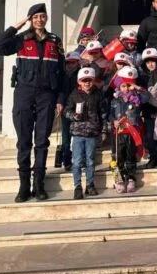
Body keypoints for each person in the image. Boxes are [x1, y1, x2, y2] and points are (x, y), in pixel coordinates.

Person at [0, 3, 65, 203]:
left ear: (46, 18)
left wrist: (60, 98)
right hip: (24, 93)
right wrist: (17, 26)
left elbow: (61, 72)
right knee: (24, 141)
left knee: (42, 141)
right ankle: (24, 185)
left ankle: (38, 184)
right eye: (35, 17)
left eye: (42, 16)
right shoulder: (21, 39)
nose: (39, 20)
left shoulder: (54, 40)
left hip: (47, 96)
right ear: (30, 20)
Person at [64, 66, 108, 199]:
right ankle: (77, 186)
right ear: (79, 82)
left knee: (90, 160)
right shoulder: (74, 95)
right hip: (77, 133)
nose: (87, 83)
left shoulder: (98, 94)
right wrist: (74, 116)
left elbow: (103, 114)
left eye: (89, 80)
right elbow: (66, 111)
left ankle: (90, 184)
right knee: (77, 161)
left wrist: (104, 130)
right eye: (84, 80)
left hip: (92, 133)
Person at [108, 66, 148, 194]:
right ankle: (119, 178)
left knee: (130, 155)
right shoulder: (115, 100)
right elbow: (110, 114)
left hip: (131, 131)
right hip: (119, 132)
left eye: (128, 86)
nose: (126, 89)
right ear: (119, 87)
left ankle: (131, 178)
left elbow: (147, 97)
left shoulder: (136, 99)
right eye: (123, 86)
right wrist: (112, 121)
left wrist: (136, 88)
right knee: (118, 156)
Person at [138, 47, 157, 169]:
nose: (150, 64)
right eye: (147, 62)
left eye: (152, 61)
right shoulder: (142, 77)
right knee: (149, 136)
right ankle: (153, 157)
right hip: (147, 111)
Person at [60, 51, 82, 171]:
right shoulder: (62, 74)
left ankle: (80, 160)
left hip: (79, 106)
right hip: (65, 108)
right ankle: (67, 160)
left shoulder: (82, 74)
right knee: (66, 136)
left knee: (80, 134)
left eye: (72, 62)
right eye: (67, 62)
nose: (69, 65)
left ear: (78, 63)